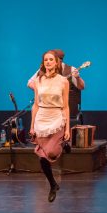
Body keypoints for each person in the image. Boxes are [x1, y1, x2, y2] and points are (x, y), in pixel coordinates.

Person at [29, 50, 70, 202]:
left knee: (52, 152)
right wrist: (32, 126)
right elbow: (35, 105)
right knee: (42, 157)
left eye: (51, 59)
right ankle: (53, 184)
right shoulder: (38, 80)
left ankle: (64, 142)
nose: (48, 62)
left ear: (56, 62)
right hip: (42, 118)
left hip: (56, 118)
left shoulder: (63, 81)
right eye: (45, 60)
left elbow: (66, 107)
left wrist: (67, 128)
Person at [28, 49, 85, 124]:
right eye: (48, 59)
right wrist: (41, 89)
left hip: (64, 108)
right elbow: (30, 83)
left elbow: (82, 87)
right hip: (45, 110)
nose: (49, 62)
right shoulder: (43, 69)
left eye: (52, 59)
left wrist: (77, 77)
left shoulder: (71, 70)